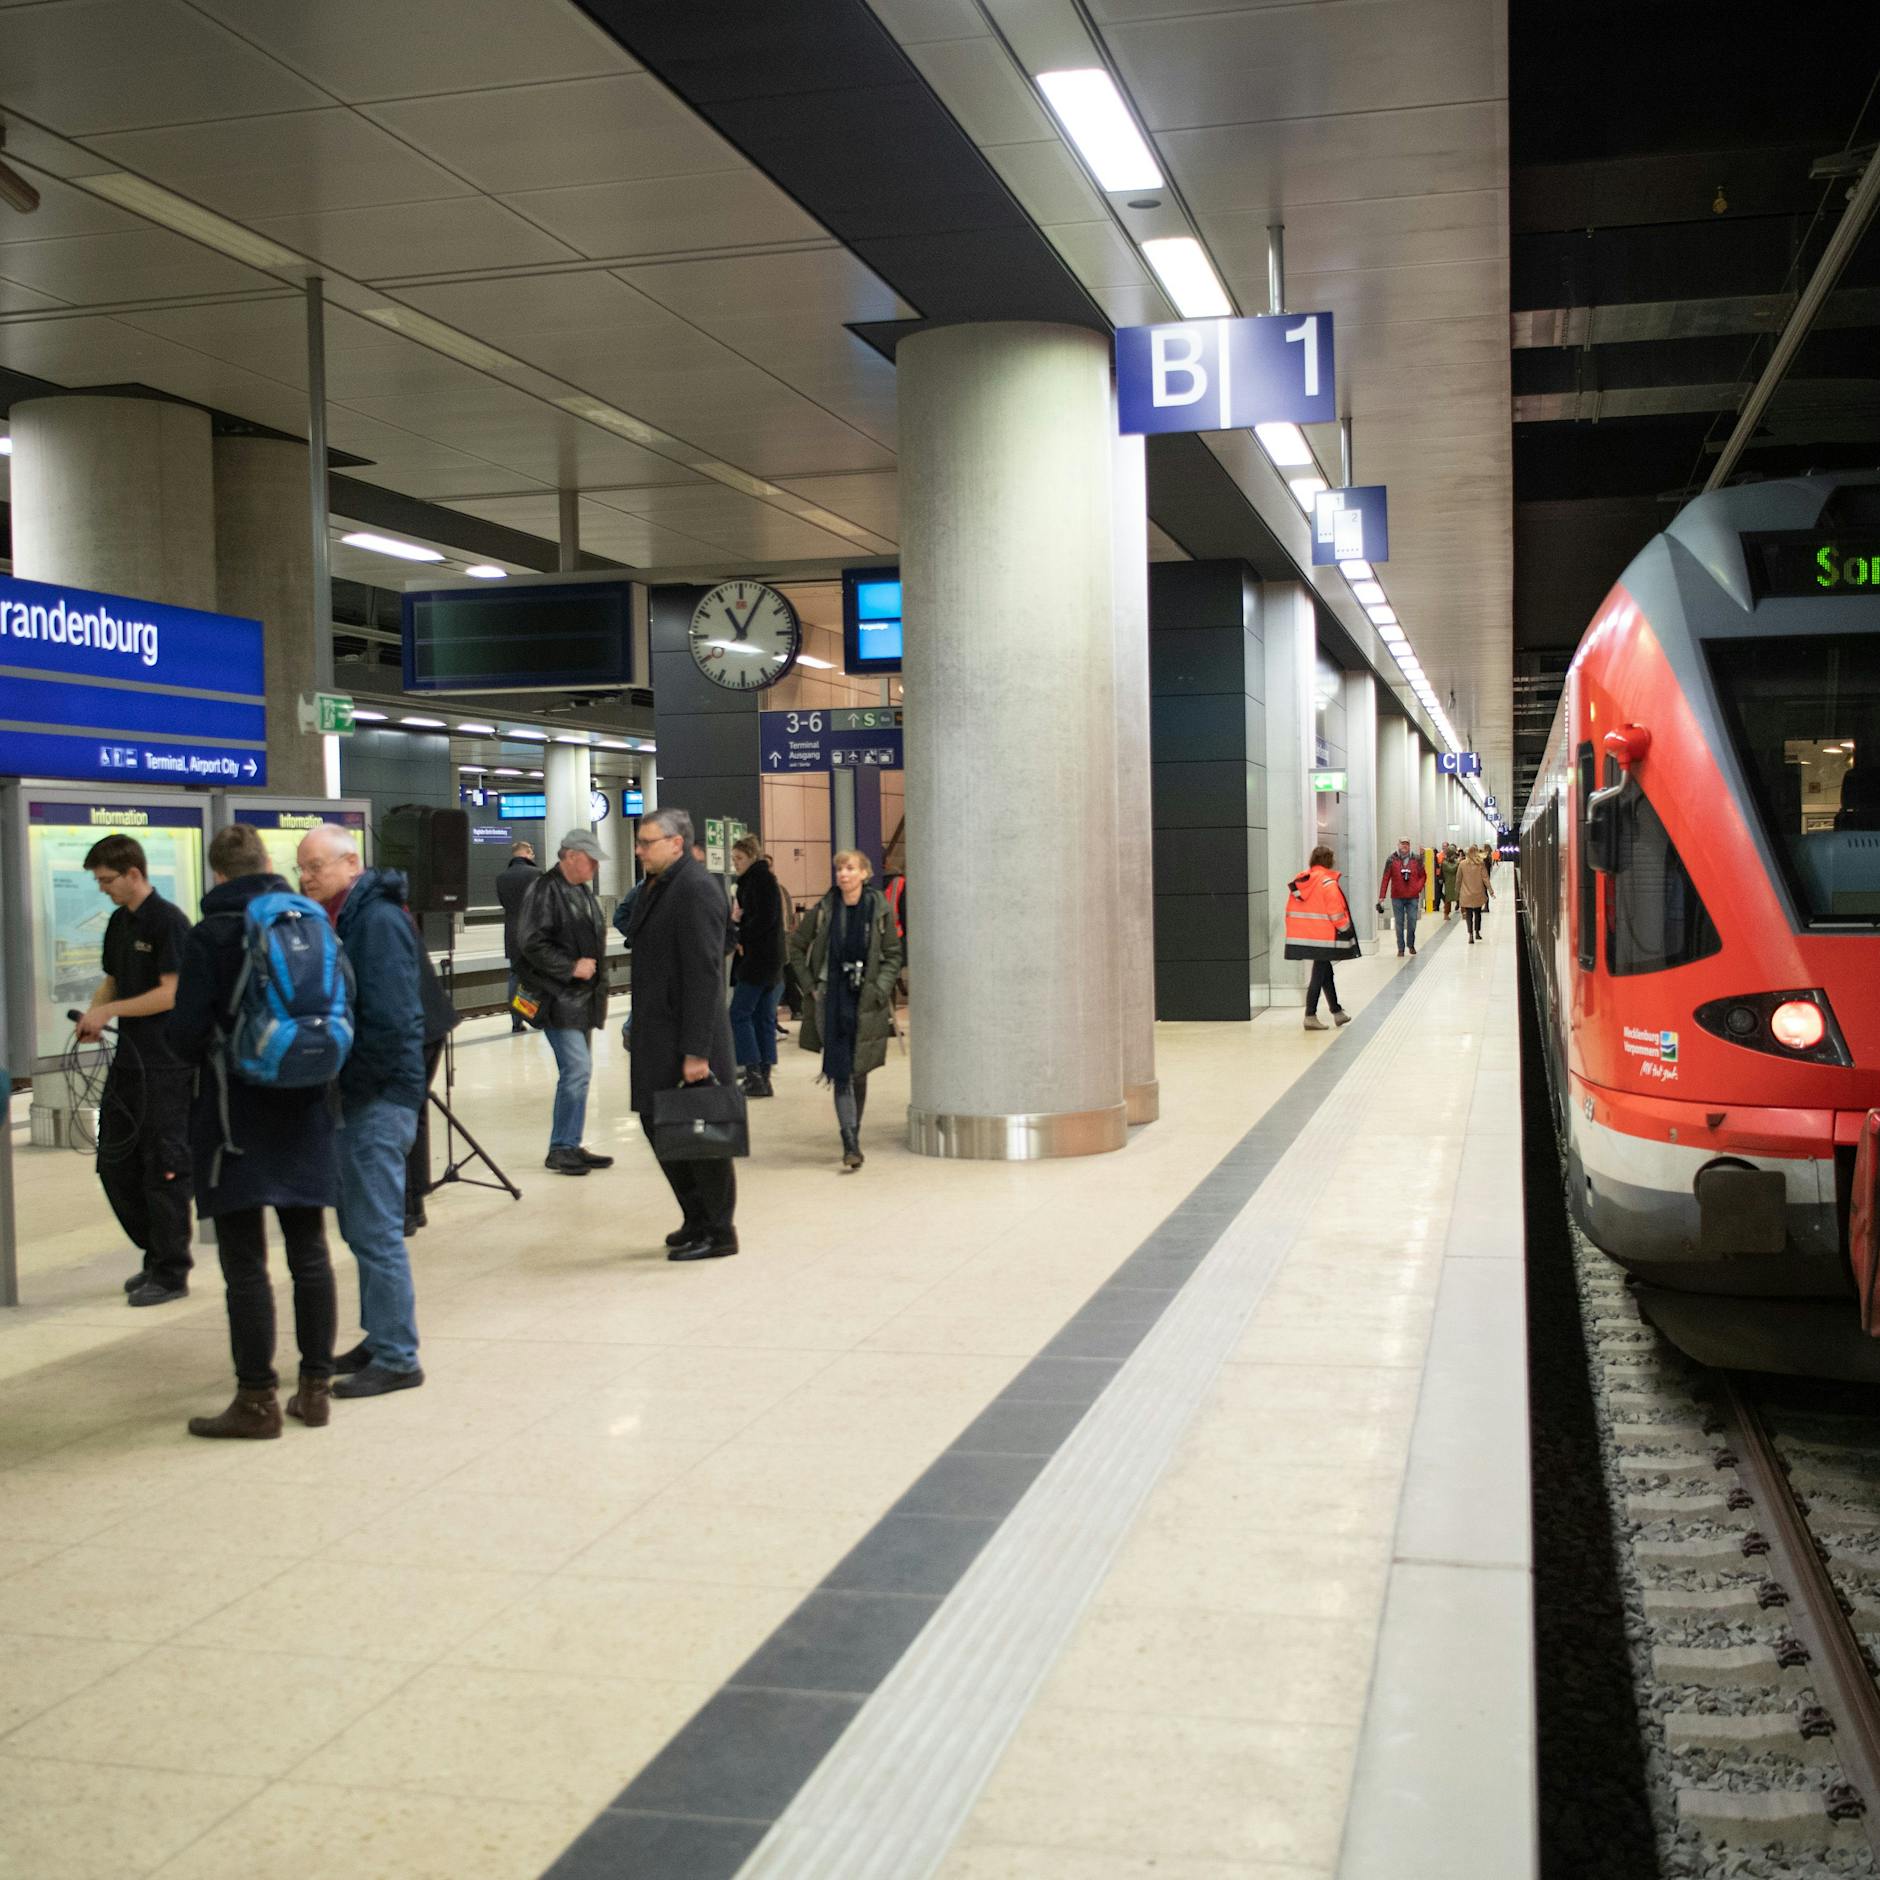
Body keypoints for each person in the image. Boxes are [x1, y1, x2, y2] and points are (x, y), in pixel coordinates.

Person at [168, 824, 339, 1438]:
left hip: (233, 1114)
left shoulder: (212, 932)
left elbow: (185, 1036)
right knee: (311, 1252)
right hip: (305, 1106)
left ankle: (257, 1401)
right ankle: (315, 1389)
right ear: (267, 863)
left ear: (217, 875)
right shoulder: (308, 920)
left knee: (245, 1265)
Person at [295, 824, 426, 1399]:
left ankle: (398, 1356)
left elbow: (392, 1019)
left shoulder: (375, 921)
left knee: (375, 1231)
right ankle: (380, 1335)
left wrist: (358, 1085)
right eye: (301, 868)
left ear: (351, 863)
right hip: (360, 1095)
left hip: (377, 1096)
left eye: (315, 867)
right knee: (358, 1225)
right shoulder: (351, 914)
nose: (305, 878)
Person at [76, 834, 195, 1307]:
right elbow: (112, 979)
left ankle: (172, 1269)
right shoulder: (119, 923)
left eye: (108, 880)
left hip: (166, 1064)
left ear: (133, 874)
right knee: (114, 1163)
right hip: (128, 1062)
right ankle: (154, 1251)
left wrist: (113, 1012)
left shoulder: (169, 923)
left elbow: (172, 992)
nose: (103, 888)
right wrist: (94, 1013)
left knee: (162, 1167)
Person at [627, 809, 739, 1259]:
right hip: (657, 1035)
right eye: (638, 842)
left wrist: (697, 1051)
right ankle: (695, 1218)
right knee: (662, 1124)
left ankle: (719, 1231)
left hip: (687, 1040)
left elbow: (703, 975)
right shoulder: (660, 886)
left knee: (701, 1134)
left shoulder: (694, 888)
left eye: (646, 842)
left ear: (676, 843)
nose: (639, 850)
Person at [789, 850, 904, 1171]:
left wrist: (880, 987)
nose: (843, 874)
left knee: (859, 1071)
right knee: (842, 1070)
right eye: (839, 869)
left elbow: (893, 954)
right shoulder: (826, 908)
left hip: (866, 999)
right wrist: (810, 984)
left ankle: (854, 1129)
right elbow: (796, 945)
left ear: (865, 874)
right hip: (831, 997)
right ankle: (849, 1141)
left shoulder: (878, 909)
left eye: (850, 868)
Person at [516, 830, 613, 1176]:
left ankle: (570, 1142)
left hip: (581, 1000)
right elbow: (531, 941)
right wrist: (571, 967)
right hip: (558, 999)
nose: (595, 867)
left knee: (580, 1073)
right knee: (577, 1070)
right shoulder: (545, 889)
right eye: (590, 860)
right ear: (570, 856)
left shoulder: (581, 891)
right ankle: (561, 1148)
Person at [403, 932, 459, 1234]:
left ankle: (406, 1207)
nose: (307, 880)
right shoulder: (392, 908)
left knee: (399, 1114)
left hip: (414, 1028)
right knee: (414, 1111)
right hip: (430, 1022)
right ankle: (415, 1202)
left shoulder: (369, 915)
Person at [729, 835, 785, 1098]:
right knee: (763, 1016)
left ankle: (752, 1071)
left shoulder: (756, 882)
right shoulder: (764, 881)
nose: (735, 864)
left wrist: (740, 935)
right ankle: (764, 1075)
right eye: (732, 859)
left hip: (757, 960)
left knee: (739, 1013)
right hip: (771, 960)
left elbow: (763, 919)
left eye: (738, 859)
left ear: (752, 857)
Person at [1285, 844, 1359, 1031]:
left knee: (1326, 973)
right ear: (1329, 861)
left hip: (1303, 935)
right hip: (1324, 936)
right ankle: (1310, 1015)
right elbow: (1335, 913)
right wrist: (1346, 929)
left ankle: (1337, 1012)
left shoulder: (1302, 881)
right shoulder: (1327, 883)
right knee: (1319, 974)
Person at [494, 840, 539, 1033]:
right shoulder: (536, 874)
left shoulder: (502, 877)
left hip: (512, 934)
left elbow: (504, 903)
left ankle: (516, 1021)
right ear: (527, 853)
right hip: (534, 933)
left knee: (515, 975)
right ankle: (533, 1016)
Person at [1377, 837, 1427, 959]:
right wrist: (1381, 896)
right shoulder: (1391, 859)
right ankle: (1401, 948)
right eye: (1402, 844)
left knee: (1412, 922)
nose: (1404, 846)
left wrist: (1417, 888)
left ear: (1409, 845)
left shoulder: (1417, 859)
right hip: (1397, 897)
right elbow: (1385, 878)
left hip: (1413, 897)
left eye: (1407, 844)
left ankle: (1411, 944)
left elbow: (1423, 876)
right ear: (1398, 845)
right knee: (1399, 924)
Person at [1458, 844, 1493, 943]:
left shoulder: (1462, 864)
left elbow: (1458, 879)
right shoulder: (1481, 863)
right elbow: (1485, 878)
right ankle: (1477, 932)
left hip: (1466, 893)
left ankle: (1470, 935)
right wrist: (1490, 890)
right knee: (1478, 913)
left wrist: (1457, 891)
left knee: (1469, 914)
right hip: (1478, 892)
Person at [1439, 845, 1460, 922]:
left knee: (1460, 897)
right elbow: (1452, 869)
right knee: (1448, 900)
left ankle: (1464, 913)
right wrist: (1458, 863)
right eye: (1454, 854)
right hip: (1449, 883)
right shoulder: (1444, 863)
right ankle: (1446, 914)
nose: (1455, 856)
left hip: (1455, 882)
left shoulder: (1454, 861)